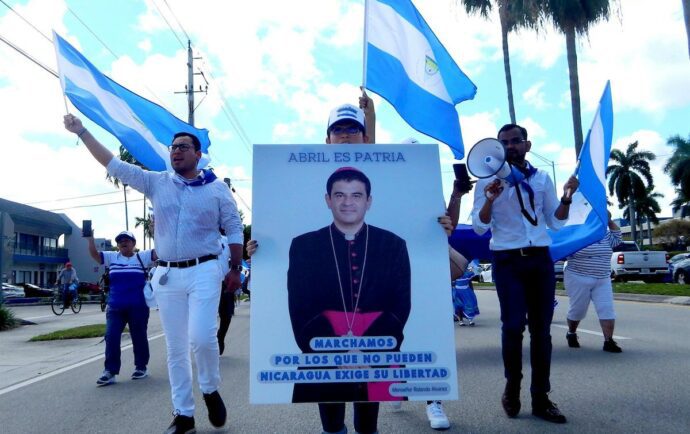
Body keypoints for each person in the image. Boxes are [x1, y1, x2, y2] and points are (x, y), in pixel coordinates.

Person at [64, 114, 244, 434]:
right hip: (168, 277)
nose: (176, 151)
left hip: (204, 269)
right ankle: (184, 414)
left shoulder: (217, 190)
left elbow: (233, 229)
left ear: (198, 154)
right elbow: (114, 165)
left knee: (202, 338)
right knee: (176, 349)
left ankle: (210, 388)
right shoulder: (157, 182)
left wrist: (233, 268)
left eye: (184, 147)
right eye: (173, 147)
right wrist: (83, 132)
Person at [471, 123, 579, 424]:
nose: (510, 147)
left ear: (527, 145)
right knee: (512, 326)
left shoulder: (542, 178)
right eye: (503, 143)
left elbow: (556, 222)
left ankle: (541, 397)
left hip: (539, 260)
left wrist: (568, 197)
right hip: (507, 261)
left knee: (541, 332)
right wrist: (491, 200)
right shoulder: (487, 182)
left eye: (515, 141)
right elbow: (480, 225)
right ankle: (512, 387)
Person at [87, 230, 157, 386]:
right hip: (115, 307)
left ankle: (141, 367)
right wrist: (90, 239)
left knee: (139, 336)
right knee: (111, 336)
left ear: (134, 243)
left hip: (138, 306)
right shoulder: (112, 257)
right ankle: (110, 371)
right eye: (120, 241)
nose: (123, 242)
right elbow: (94, 254)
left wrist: (156, 231)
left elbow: (160, 252)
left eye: (127, 239)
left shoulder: (142, 256)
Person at [564, 211, 623, 352]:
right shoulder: (576, 234)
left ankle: (609, 341)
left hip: (602, 277)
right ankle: (571, 333)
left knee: (607, 309)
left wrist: (609, 220)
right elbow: (563, 249)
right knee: (578, 310)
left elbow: (617, 237)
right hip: (577, 276)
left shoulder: (605, 235)